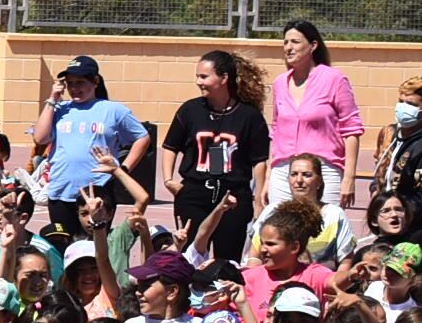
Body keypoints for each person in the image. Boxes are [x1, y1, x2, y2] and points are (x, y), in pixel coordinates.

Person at [164, 48, 269, 264]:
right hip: (194, 193)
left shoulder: (249, 116)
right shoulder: (190, 110)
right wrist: (168, 180)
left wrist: (258, 199)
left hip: (233, 197)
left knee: (227, 261)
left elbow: (259, 161)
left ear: (224, 78)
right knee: (190, 256)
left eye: (204, 76)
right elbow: (170, 146)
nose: (198, 82)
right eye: (197, 77)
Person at [28, 57, 144, 242]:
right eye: (70, 83)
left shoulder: (113, 110)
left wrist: (123, 169)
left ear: (95, 81)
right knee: (63, 247)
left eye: (80, 82)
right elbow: (40, 137)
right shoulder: (60, 109)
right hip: (61, 192)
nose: (74, 88)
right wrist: (52, 100)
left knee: (96, 247)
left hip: (97, 192)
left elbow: (142, 137)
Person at [267, 17, 362, 208]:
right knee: (281, 224)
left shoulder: (334, 79)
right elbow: (276, 131)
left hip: (324, 169)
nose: (288, 48)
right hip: (284, 171)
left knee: (324, 223)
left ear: (313, 45)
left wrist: (349, 177)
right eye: (285, 42)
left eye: (295, 42)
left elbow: (351, 130)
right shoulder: (280, 83)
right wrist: (270, 175)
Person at [367, 73, 422, 243]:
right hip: (388, 226)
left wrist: (391, 208)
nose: (403, 107)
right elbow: (380, 172)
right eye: (401, 101)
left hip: (415, 234)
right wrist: (376, 192)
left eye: (411, 104)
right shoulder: (388, 133)